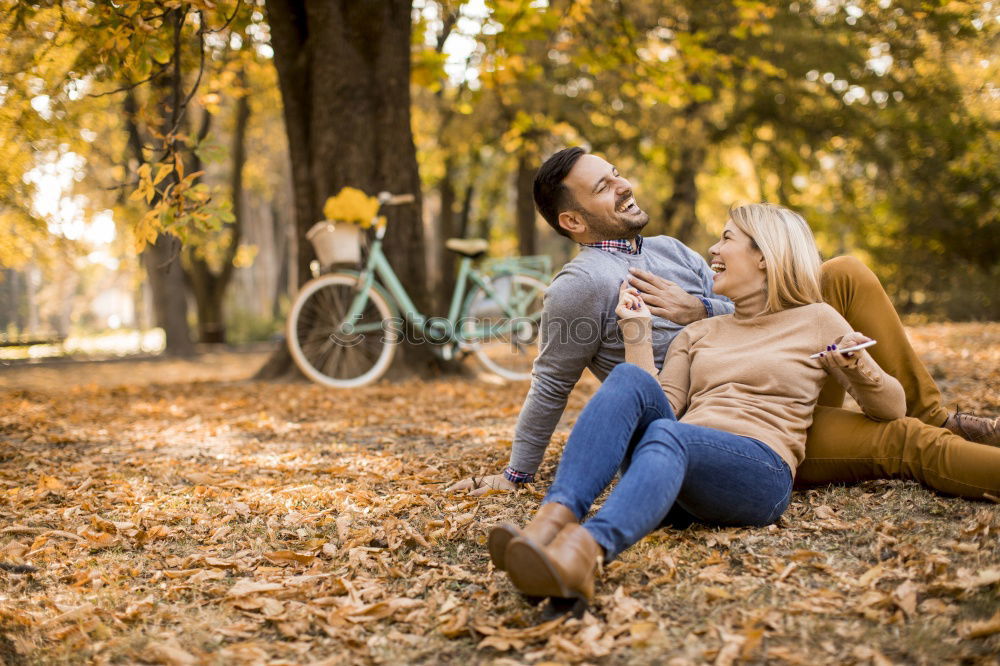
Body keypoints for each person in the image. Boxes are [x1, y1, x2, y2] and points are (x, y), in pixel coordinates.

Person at [447, 148, 999, 500]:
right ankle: (939, 438)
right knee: (903, 442)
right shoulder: (583, 283)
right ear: (572, 220)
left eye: (615, 173)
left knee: (846, 273)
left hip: (778, 364)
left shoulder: (667, 249)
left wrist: (699, 309)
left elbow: (746, 309)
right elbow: (550, 382)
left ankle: (940, 416)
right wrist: (517, 474)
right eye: (603, 186)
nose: (622, 184)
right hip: (727, 416)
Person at [490, 203, 906, 600]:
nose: (713, 250)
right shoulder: (699, 332)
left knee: (670, 437)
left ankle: (584, 552)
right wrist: (636, 329)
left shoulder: (818, 319)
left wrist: (858, 367)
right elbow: (664, 407)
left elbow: (892, 409)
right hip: (675, 466)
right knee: (630, 381)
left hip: (759, 470)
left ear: (764, 256)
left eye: (727, 239)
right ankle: (548, 525)